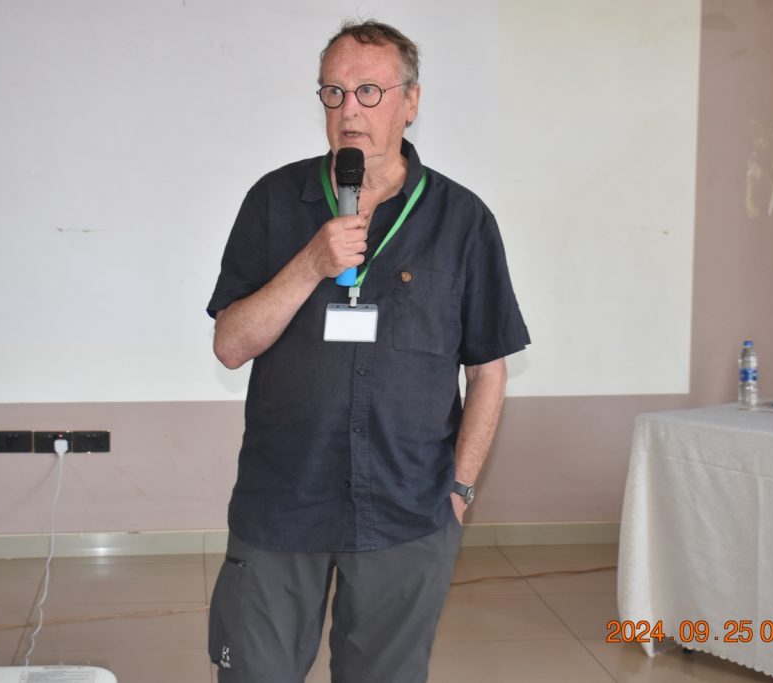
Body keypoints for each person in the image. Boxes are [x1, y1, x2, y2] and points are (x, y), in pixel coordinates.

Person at [206, 19, 529, 683]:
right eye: (334, 92)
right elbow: (231, 345)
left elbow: (488, 368)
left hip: (407, 509)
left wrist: (460, 490)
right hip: (282, 500)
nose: (349, 110)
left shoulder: (462, 221)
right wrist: (310, 263)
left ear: (411, 102)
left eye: (369, 92)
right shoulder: (274, 201)